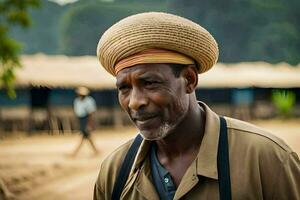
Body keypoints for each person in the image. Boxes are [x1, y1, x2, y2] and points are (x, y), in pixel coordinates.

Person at [93, 12, 300, 199]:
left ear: (190, 80)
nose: (135, 102)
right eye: (124, 88)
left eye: (150, 83)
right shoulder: (115, 172)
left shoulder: (266, 159)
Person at [72, 86, 99, 156]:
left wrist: (89, 124)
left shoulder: (89, 100)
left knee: (85, 135)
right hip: (81, 119)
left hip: (86, 119)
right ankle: (96, 151)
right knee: (86, 136)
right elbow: (77, 112)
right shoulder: (77, 101)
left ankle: (75, 152)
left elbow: (91, 114)